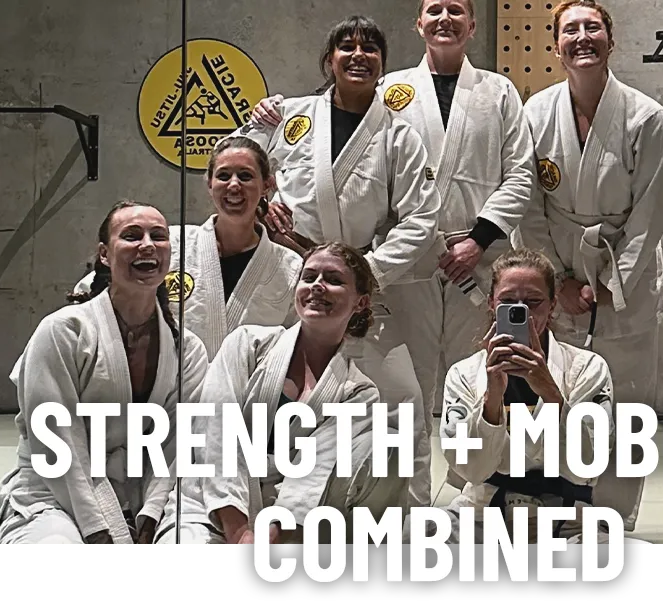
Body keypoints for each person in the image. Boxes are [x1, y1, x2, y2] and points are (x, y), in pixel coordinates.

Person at [252, 0, 537, 496]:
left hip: (477, 258)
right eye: (434, 9)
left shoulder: (499, 90)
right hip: (405, 266)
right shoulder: (388, 90)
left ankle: (480, 488)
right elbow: (327, 137)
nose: (444, 17)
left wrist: (480, 238)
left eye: (456, 9)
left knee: (478, 378)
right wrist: (268, 119)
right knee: (410, 387)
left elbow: (520, 174)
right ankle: (407, 497)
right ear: (419, 24)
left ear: (472, 24)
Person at [231, 15, 441, 508]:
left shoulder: (398, 134)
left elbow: (421, 218)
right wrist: (264, 201)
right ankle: (260, 503)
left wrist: (365, 272)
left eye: (371, 48)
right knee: (276, 394)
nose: (358, 55)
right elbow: (235, 165)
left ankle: (408, 511)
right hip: (293, 275)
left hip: (364, 284)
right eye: (346, 47)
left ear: (383, 67)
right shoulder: (291, 115)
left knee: (403, 401)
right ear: (329, 62)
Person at [515, 0, 663, 530]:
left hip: (623, 278)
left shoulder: (646, 117)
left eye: (593, 27)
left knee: (626, 408)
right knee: (559, 397)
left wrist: (611, 284)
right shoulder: (535, 113)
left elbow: (653, 209)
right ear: (555, 44)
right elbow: (528, 205)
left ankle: (613, 520)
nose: (582, 37)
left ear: (611, 38)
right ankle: (561, 512)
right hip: (559, 270)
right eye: (570, 30)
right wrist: (557, 282)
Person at [0, 201, 209, 544]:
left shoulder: (188, 348)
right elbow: (56, 442)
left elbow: (174, 446)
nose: (148, 244)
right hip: (53, 493)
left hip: (140, 494)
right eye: (132, 236)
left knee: (193, 546)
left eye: (159, 236)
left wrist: (152, 517)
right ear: (105, 254)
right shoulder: (64, 332)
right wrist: (100, 530)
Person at [167, 242, 409, 544]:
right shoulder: (246, 344)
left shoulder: (358, 392)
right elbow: (217, 433)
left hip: (285, 523)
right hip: (208, 504)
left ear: (360, 303)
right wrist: (239, 532)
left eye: (334, 280)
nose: (318, 286)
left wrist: (270, 538)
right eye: (309, 278)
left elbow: (315, 473)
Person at [431, 248, 636, 543]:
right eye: (508, 302)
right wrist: (492, 397)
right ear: (492, 303)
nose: (522, 311)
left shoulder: (587, 368)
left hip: (568, 520)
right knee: (409, 537)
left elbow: (588, 465)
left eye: (533, 302)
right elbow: (470, 469)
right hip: (484, 512)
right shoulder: (464, 374)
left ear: (552, 304)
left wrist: (550, 391)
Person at [74, 137, 303, 360]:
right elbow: (91, 290)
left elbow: (301, 342)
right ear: (210, 184)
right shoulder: (169, 244)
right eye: (223, 176)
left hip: (248, 395)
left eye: (245, 176)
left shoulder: (290, 267)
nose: (234, 185)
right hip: (172, 390)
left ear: (267, 185)